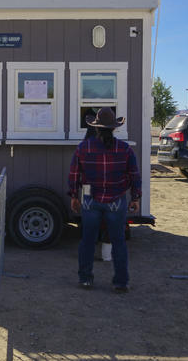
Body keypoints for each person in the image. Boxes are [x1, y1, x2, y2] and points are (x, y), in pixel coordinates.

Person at [68, 107, 141, 293]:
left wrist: (74, 196)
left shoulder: (83, 148)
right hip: (116, 200)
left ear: (96, 128)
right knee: (118, 242)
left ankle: (85, 279)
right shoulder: (124, 149)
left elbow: (74, 174)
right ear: (114, 128)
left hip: (90, 199)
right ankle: (121, 282)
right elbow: (134, 175)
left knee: (87, 241)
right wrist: (135, 198)